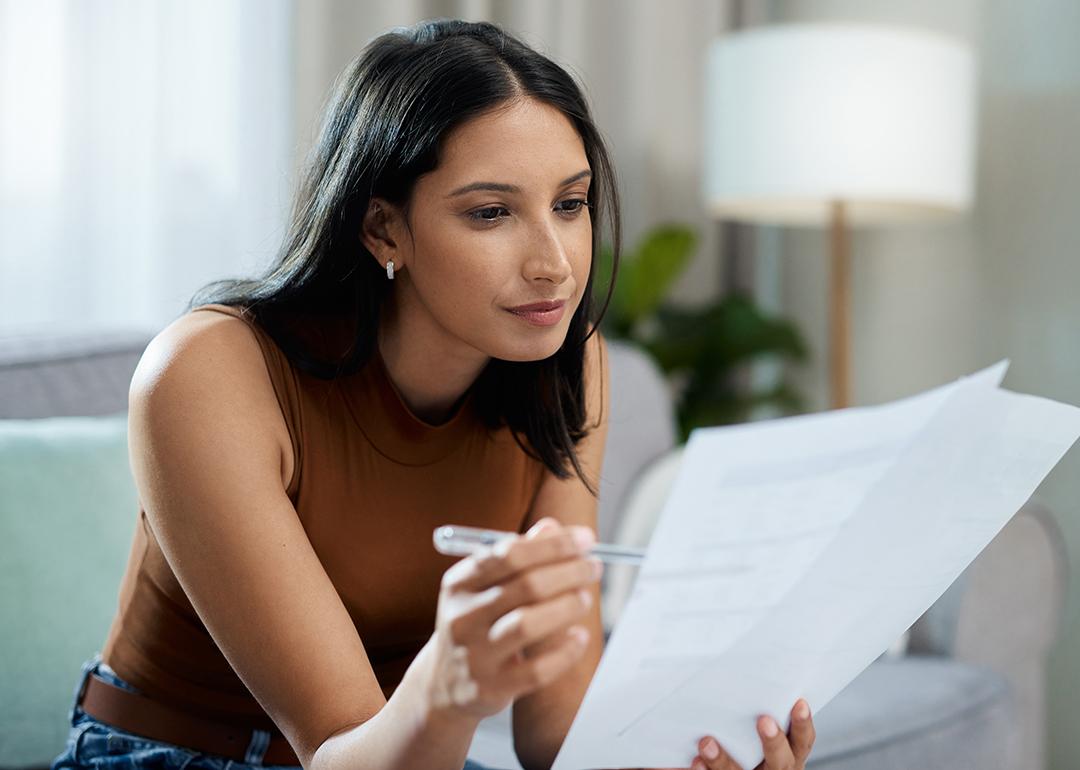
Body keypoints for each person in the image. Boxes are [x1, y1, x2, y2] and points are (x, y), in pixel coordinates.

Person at [50, 18, 815, 770]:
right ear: (383, 229)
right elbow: (339, 748)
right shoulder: (208, 373)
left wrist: (702, 749)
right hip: (170, 754)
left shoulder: (572, 365)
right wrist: (445, 696)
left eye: (570, 204)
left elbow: (555, 736)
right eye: (491, 213)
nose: (554, 264)